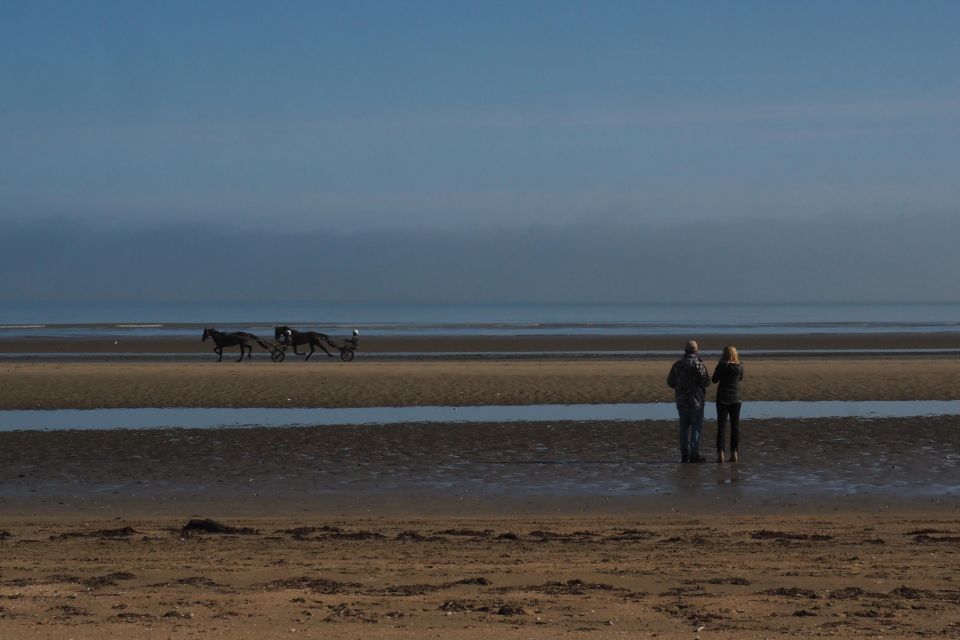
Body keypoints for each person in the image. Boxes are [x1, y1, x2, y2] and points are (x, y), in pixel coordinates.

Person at [667, 340, 711, 463]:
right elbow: (707, 382)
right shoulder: (699, 365)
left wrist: (680, 386)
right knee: (696, 428)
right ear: (696, 351)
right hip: (697, 401)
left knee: (684, 428)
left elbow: (670, 382)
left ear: (685, 350)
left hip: (682, 401)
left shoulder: (678, 365)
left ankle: (685, 455)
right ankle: (694, 454)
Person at [712, 345, 744, 463]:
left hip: (722, 398)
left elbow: (714, 379)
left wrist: (720, 366)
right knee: (735, 427)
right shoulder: (740, 366)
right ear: (735, 354)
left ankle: (720, 453)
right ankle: (734, 452)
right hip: (736, 399)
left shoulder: (721, 366)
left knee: (721, 426)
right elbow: (740, 378)